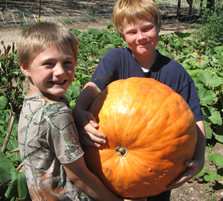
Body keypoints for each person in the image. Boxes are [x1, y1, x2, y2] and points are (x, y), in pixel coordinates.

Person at [72, 0, 206, 201]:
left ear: (159, 26)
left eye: (146, 28)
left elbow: (196, 119)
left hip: (159, 172)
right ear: (122, 34)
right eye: (132, 32)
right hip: (108, 175)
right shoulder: (116, 59)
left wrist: (199, 160)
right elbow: (93, 88)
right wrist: (79, 111)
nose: (141, 36)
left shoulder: (175, 73)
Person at [17, 21, 143, 201]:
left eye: (67, 62)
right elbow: (79, 177)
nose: (60, 72)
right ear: (25, 67)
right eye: (48, 64)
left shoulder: (31, 103)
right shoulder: (57, 114)